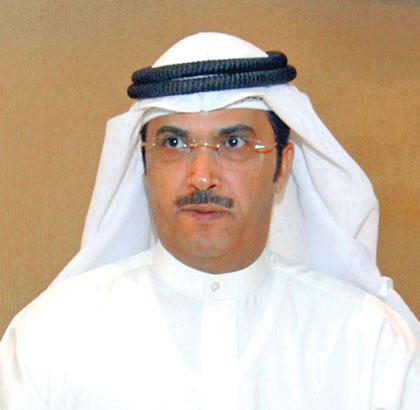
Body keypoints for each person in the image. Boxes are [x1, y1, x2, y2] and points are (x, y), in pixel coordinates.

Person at [0, 32, 419, 409]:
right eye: (174, 143)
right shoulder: (50, 339)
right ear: (145, 164)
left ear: (282, 166)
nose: (201, 176)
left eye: (234, 142)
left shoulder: (371, 345)